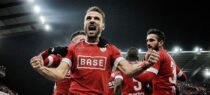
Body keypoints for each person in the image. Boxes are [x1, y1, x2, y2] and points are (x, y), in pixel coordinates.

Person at [30, 6, 160, 95]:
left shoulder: (111, 49)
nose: (92, 20)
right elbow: (59, 74)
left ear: (103, 26)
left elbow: (129, 71)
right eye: (88, 18)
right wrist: (41, 68)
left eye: (96, 19)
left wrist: (146, 64)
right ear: (85, 25)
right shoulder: (73, 48)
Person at [134, 29, 186, 95]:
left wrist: (130, 71)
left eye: (151, 40)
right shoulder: (169, 57)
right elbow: (183, 77)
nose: (148, 43)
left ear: (161, 43)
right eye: (147, 40)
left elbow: (146, 78)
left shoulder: (157, 55)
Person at [38, 30, 86, 95]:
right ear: (71, 44)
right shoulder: (60, 57)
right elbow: (40, 60)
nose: (82, 43)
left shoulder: (94, 61)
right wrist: (50, 51)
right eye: (79, 40)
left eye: (84, 41)